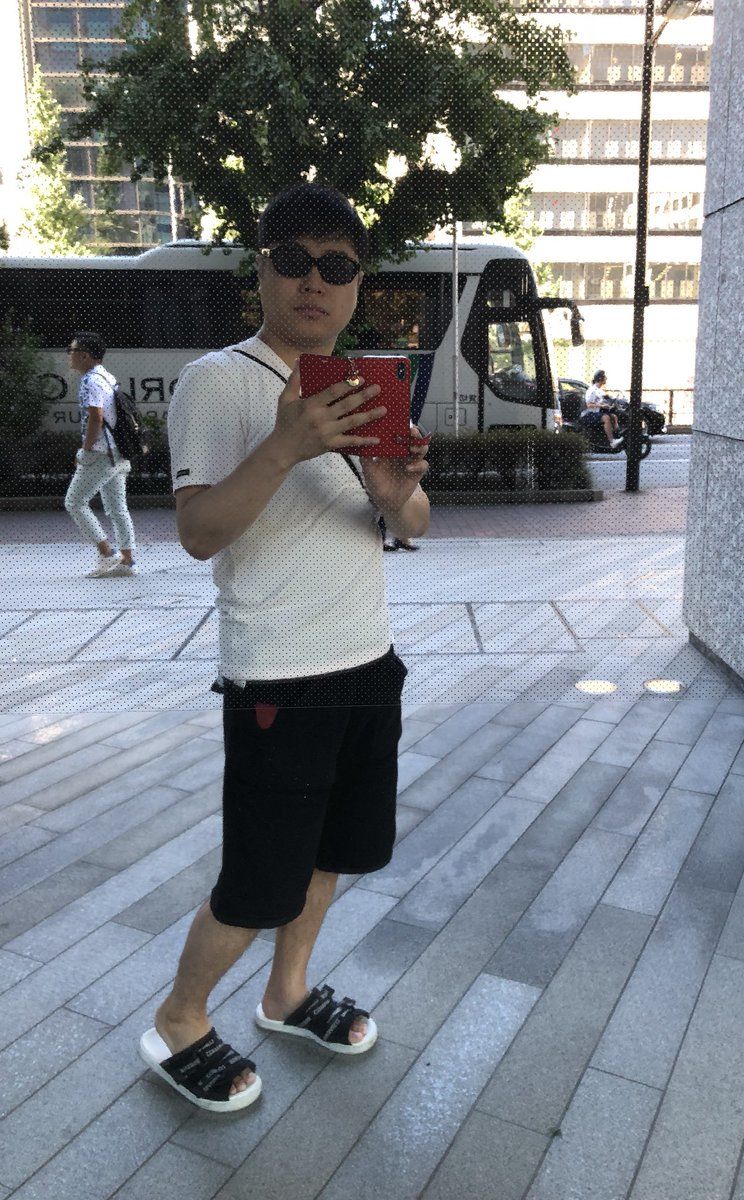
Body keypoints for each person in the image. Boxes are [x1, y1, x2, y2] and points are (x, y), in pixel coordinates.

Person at [142, 183, 429, 1113]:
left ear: (357, 286)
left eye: (336, 267)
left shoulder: (359, 389)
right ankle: (180, 1020)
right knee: (258, 879)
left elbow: (414, 521)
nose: (315, 282)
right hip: (278, 675)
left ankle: (287, 994)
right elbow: (198, 533)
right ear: (261, 270)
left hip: (368, 661)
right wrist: (284, 445)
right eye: (294, 261)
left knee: (331, 851)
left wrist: (394, 495)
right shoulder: (217, 382)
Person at [63, 332, 137, 576]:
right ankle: (126, 561)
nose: (69, 355)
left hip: (101, 453)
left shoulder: (90, 381)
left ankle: (107, 554)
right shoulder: (107, 376)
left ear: (84, 355)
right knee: (117, 508)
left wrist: (84, 451)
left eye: (72, 350)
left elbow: (96, 417)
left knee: (74, 502)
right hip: (118, 451)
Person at [582, 368, 623, 448]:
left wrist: (610, 406)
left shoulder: (600, 390)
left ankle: (617, 436)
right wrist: (602, 406)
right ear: (600, 378)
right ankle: (612, 442)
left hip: (598, 412)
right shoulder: (592, 390)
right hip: (590, 414)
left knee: (614, 416)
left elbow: (603, 401)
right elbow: (588, 405)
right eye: (604, 377)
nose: (606, 379)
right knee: (606, 418)